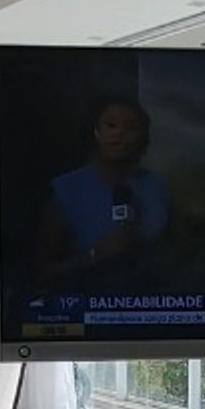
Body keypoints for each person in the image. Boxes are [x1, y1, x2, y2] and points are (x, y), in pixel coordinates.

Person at [39, 96, 170, 289]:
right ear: (96, 133)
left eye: (130, 127)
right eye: (110, 125)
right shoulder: (68, 189)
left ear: (143, 137)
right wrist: (95, 255)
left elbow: (174, 253)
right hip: (86, 300)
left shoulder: (155, 186)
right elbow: (43, 274)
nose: (119, 133)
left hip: (149, 299)